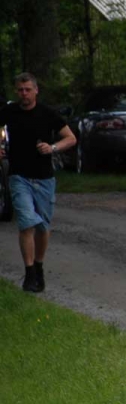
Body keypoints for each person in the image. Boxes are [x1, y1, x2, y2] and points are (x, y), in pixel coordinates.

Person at [0, 73, 76, 292]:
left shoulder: (47, 114)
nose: (24, 94)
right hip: (18, 176)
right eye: (20, 90)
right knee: (26, 222)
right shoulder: (9, 111)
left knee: (42, 227)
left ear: (36, 91)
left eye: (27, 90)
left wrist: (52, 148)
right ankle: (29, 272)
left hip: (43, 178)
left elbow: (71, 138)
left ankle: (39, 266)